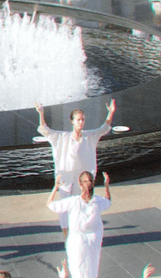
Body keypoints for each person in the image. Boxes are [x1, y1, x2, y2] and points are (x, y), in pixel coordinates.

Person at [34, 100, 114, 236]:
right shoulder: (63, 137)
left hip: (82, 181)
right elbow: (45, 130)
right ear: (72, 121)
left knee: (82, 207)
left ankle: (80, 233)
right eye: (78, 120)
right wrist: (41, 113)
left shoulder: (89, 136)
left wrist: (110, 113)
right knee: (64, 211)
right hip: (66, 181)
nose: (81, 122)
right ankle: (67, 239)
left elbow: (104, 129)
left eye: (83, 119)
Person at [47, 171, 112, 278]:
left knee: (78, 273)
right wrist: (107, 185)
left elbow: (50, 204)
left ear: (80, 183)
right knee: (90, 271)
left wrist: (55, 187)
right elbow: (109, 200)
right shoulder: (98, 201)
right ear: (92, 183)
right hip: (91, 240)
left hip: (78, 241)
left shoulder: (74, 201)